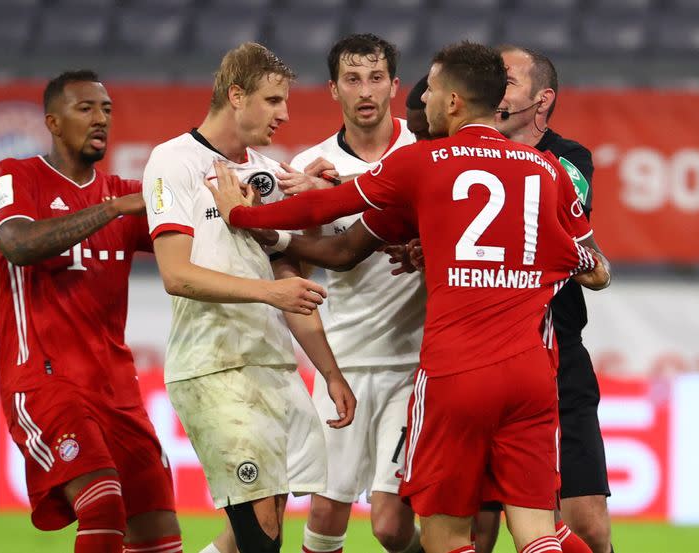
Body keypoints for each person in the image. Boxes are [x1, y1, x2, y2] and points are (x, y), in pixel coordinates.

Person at [207, 41, 612, 553]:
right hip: (531, 373)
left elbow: (324, 205)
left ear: (455, 103)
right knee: (539, 533)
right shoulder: (547, 170)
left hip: (454, 373)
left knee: (445, 536)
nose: (427, 99)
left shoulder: (423, 162)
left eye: (435, 89)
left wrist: (243, 216)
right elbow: (592, 266)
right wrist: (580, 266)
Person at [141, 43, 356, 553]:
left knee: (259, 530)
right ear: (236, 96)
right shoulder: (174, 161)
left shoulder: (267, 174)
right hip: (213, 366)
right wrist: (271, 291)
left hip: (272, 368)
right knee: (261, 536)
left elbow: (290, 286)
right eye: (273, 100)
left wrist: (329, 373)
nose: (284, 114)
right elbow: (176, 274)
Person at [0, 70, 182, 553]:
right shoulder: (16, 175)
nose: (101, 120)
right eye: (87, 109)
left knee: (158, 532)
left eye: (107, 110)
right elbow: (18, 244)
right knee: (101, 505)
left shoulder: (122, 191)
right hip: (44, 380)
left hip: (118, 391)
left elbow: (194, 235)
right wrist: (112, 210)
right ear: (53, 122)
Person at [269, 33, 425, 553]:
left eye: (376, 78)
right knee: (326, 511)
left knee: (389, 524)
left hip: (413, 365)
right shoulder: (309, 166)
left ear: (395, 87)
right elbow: (300, 258)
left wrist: (338, 195)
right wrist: (311, 213)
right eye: (353, 80)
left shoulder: (424, 153)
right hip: (346, 357)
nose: (366, 91)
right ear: (333, 89)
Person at [494, 44, 613, 553]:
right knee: (472, 530)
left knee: (585, 524)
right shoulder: (461, 151)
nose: (494, 89)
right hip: (481, 356)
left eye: (507, 80)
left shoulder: (568, 159)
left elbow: (562, 234)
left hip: (557, 354)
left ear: (542, 100)